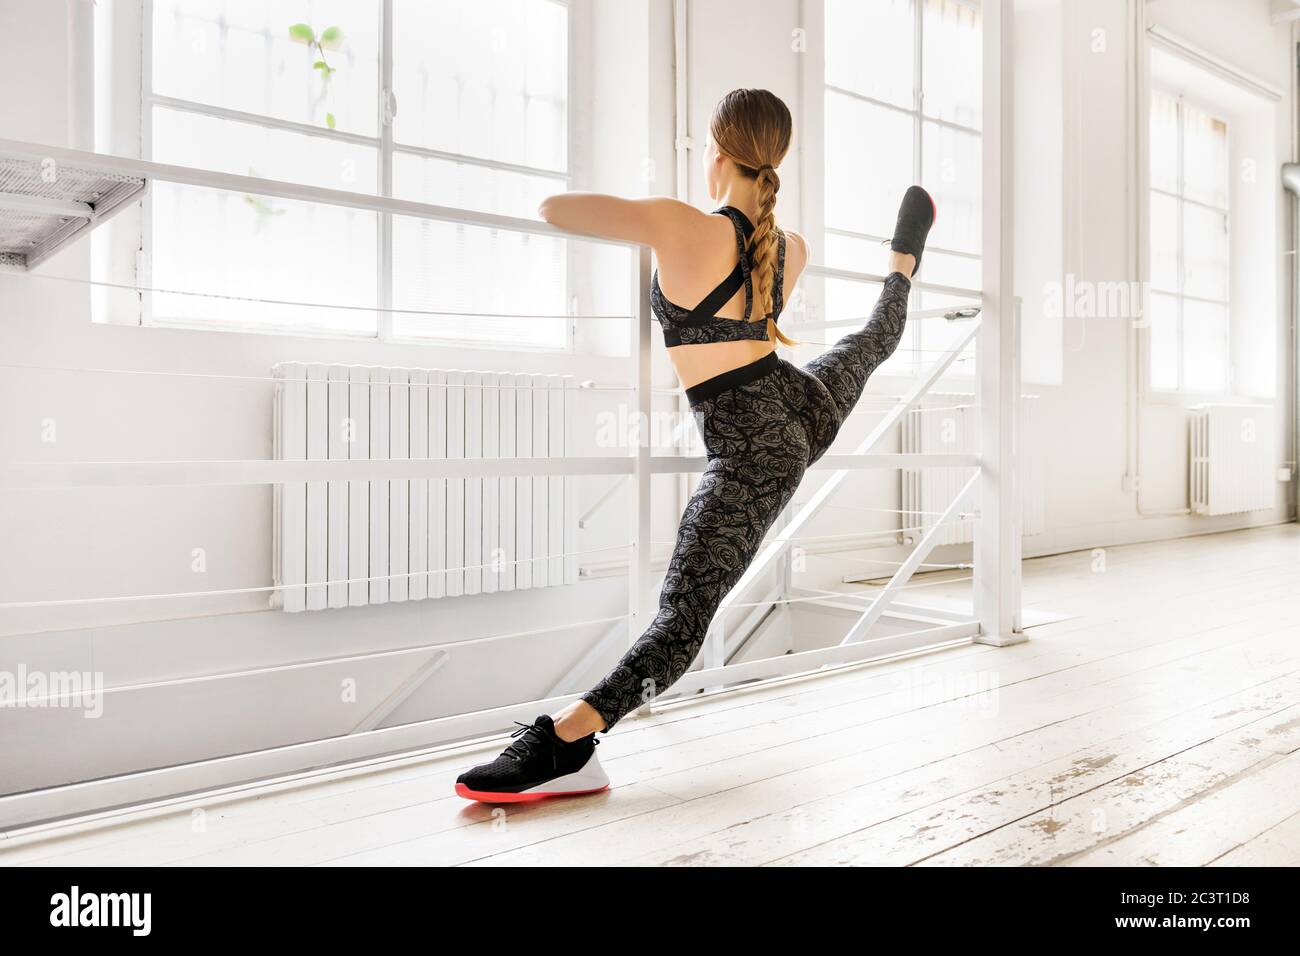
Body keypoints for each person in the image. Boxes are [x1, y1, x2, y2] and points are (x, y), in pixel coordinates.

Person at [455, 88, 934, 803]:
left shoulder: (679, 225)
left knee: (683, 615)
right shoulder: (788, 248)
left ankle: (566, 742)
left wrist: (650, 217)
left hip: (752, 448)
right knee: (870, 345)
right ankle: (901, 263)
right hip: (801, 406)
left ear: (716, 152)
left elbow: (552, 210)